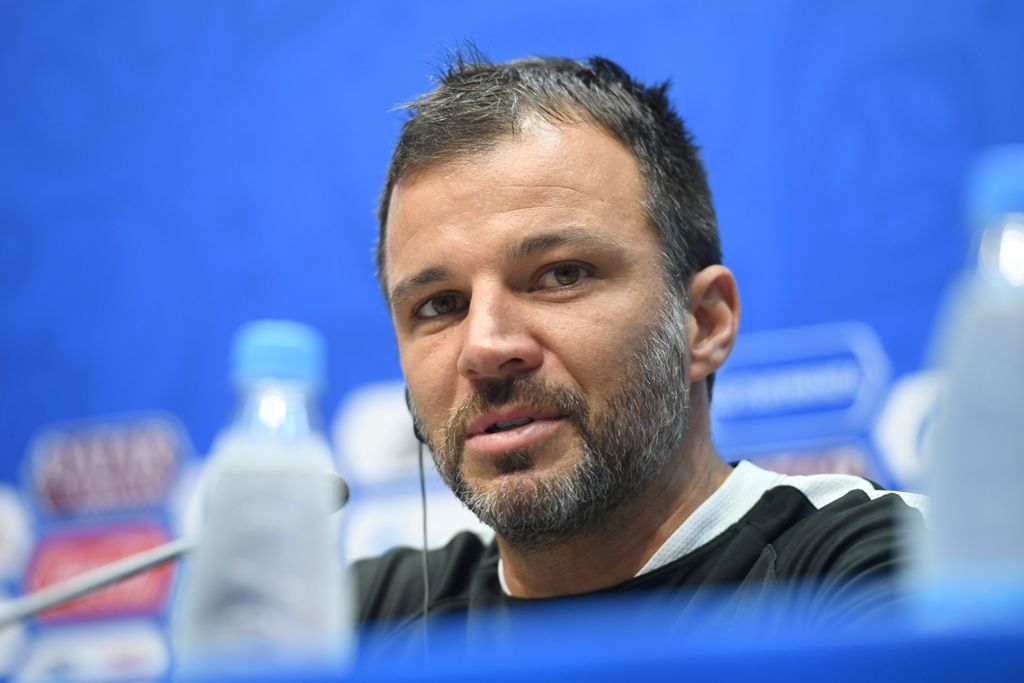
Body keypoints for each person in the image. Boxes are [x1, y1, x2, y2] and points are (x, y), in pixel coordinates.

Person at [354, 52, 927, 643]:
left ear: (704, 324)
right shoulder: (351, 623)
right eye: (440, 305)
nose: (486, 346)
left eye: (562, 275)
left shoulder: (890, 575)